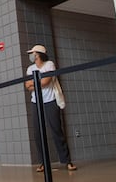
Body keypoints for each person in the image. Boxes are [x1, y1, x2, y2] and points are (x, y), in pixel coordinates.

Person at [24, 44, 77, 172]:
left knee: (56, 130)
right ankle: (43, 162)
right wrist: (37, 82)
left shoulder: (49, 64)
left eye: (33, 53)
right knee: (38, 133)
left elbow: (46, 82)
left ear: (38, 54)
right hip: (36, 102)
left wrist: (35, 83)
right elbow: (27, 86)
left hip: (50, 101)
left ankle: (67, 161)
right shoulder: (30, 68)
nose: (31, 55)